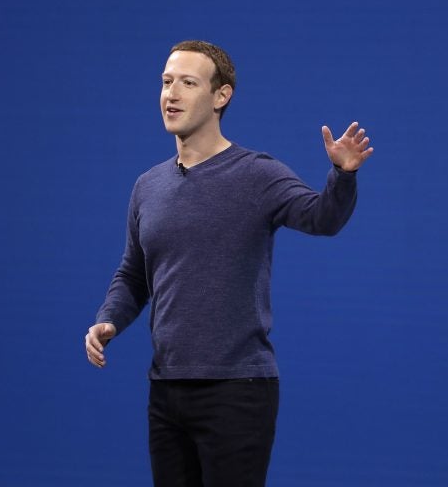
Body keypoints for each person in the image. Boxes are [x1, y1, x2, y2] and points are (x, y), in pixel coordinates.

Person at [84, 40, 373, 487]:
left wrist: (343, 175)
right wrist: (109, 321)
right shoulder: (148, 186)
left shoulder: (257, 174)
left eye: (187, 82)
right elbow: (133, 274)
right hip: (166, 390)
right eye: (165, 82)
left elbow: (323, 219)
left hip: (237, 391)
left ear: (222, 96)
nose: (171, 94)